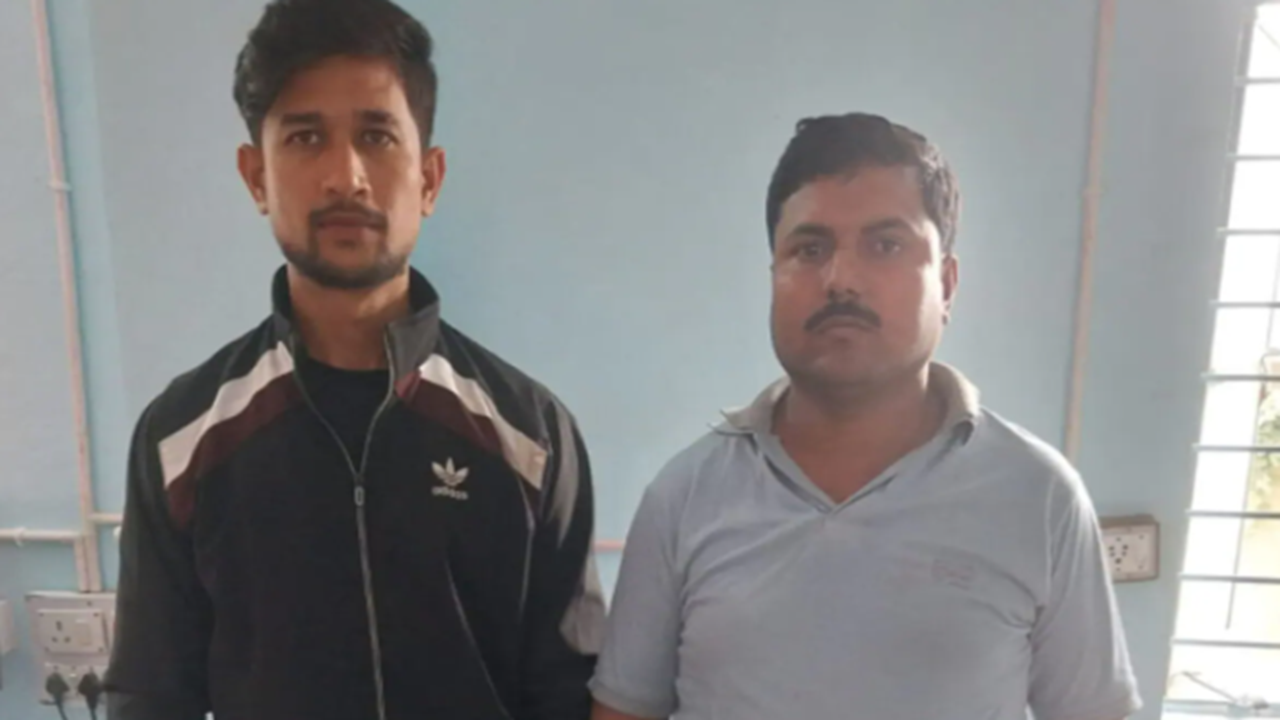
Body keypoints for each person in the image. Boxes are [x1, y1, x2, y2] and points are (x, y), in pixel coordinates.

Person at [104, 1, 603, 718]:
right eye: (306, 137)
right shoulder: (183, 438)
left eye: (376, 136)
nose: (346, 176)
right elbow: (150, 696)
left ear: (429, 178)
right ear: (256, 176)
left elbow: (567, 693)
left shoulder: (530, 435)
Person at [589, 113, 1142, 720]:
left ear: (947, 285)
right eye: (809, 249)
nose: (841, 279)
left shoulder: (1039, 496)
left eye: (886, 246)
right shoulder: (686, 494)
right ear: (774, 276)